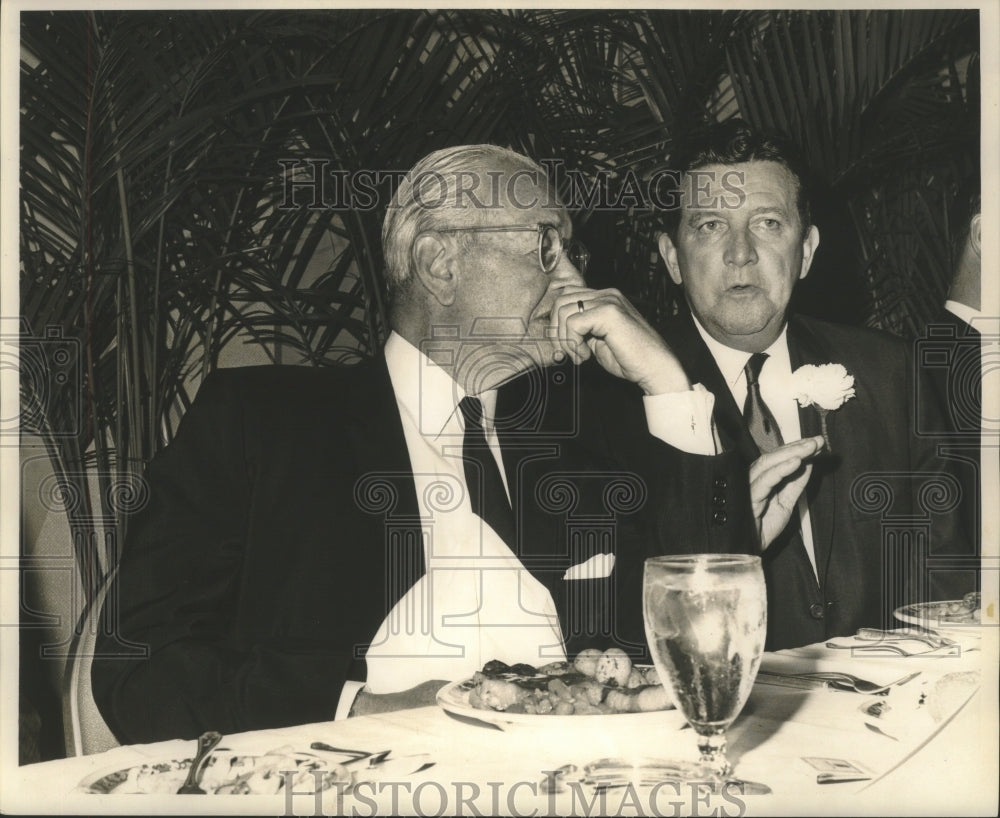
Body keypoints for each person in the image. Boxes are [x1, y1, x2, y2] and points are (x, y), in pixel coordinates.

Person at [92, 144, 816, 743]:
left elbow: (700, 633)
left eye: (571, 252)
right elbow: (139, 666)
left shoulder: (587, 430)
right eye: (544, 249)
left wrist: (664, 381)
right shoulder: (262, 424)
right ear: (441, 264)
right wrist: (355, 707)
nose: (576, 282)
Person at [656, 120, 969, 650]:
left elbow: (948, 587)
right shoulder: (623, 405)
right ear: (671, 257)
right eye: (710, 225)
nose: (740, 253)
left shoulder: (891, 376)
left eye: (768, 223)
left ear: (806, 251)